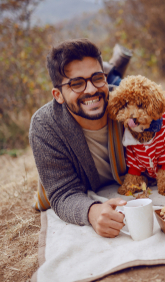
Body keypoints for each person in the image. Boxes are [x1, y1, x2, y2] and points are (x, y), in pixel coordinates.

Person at [29, 38, 130, 238]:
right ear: (58, 95)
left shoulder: (127, 103)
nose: (91, 89)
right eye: (77, 83)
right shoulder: (45, 125)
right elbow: (62, 192)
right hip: (77, 190)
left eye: (97, 78)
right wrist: (93, 212)